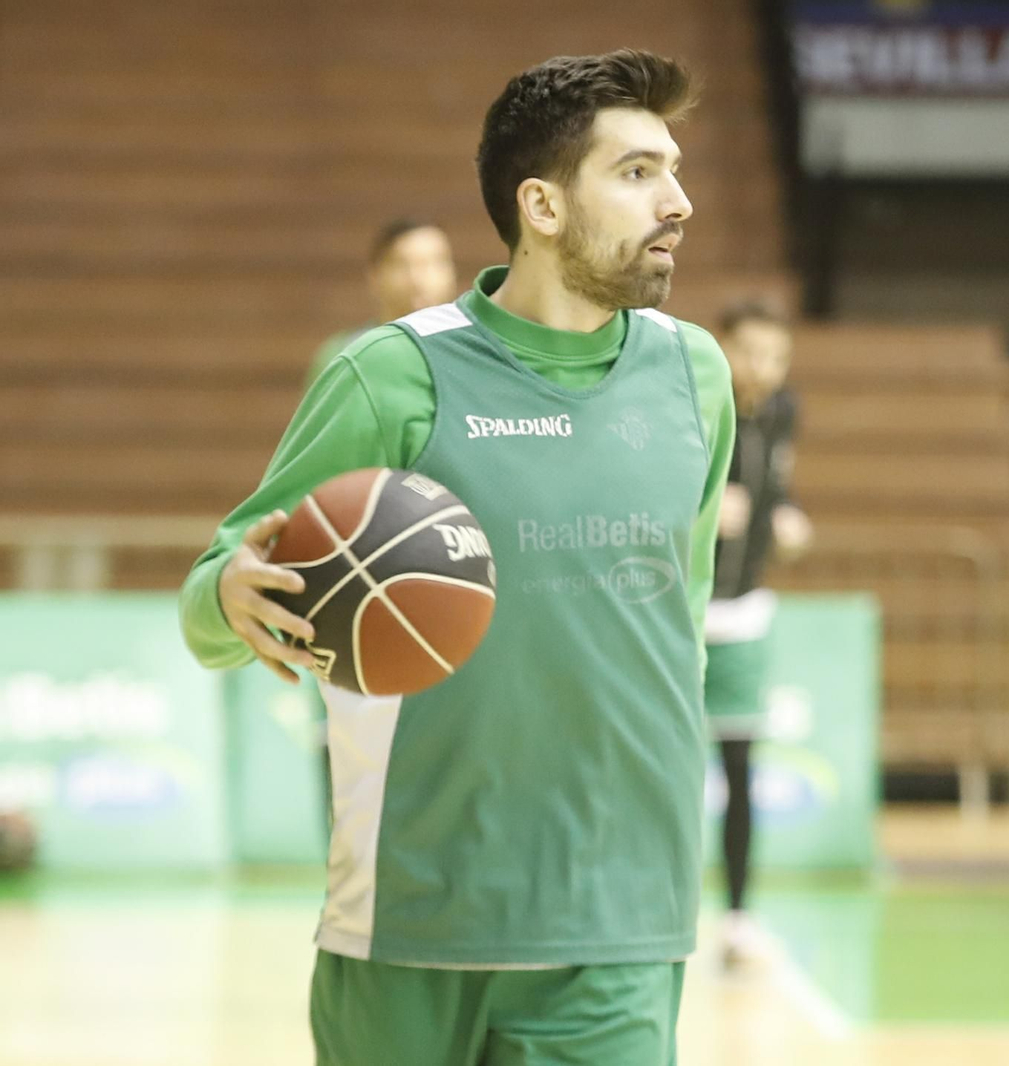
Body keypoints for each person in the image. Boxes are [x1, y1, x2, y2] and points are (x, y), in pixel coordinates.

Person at [178, 50, 734, 1066]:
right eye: (637, 172)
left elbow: (679, 615)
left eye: (675, 170)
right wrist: (228, 594)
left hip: (619, 917)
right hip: (412, 914)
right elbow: (220, 583)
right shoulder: (392, 372)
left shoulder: (695, 373)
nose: (677, 201)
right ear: (543, 206)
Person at [704, 299, 813, 968]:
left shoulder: (783, 413)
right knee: (656, 771)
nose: (762, 368)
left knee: (739, 770)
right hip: (676, 615)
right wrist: (701, 512)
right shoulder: (690, 405)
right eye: (750, 352)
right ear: (722, 347)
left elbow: (777, 486)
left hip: (743, 616)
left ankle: (739, 918)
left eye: (776, 356)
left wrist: (787, 516)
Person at [305, 219, 458, 389]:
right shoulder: (347, 353)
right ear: (375, 275)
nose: (418, 279)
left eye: (432, 263)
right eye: (402, 264)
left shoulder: (465, 351)